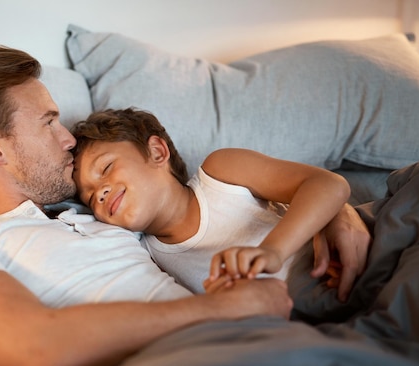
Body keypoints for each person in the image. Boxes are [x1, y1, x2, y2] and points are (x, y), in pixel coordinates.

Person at [0, 46, 370, 366]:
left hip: (260, 349)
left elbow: (190, 211)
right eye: (48, 122)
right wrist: (225, 308)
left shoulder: (100, 217)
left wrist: (334, 208)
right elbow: (40, 354)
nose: (68, 140)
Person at [71, 107, 368, 301]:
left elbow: (328, 184)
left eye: (106, 168)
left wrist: (271, 251)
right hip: (312, 311)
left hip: (359, 255)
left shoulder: (221, 172)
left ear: (157, 152)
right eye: (88, 197)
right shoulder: (145, 257)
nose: (99, 193)